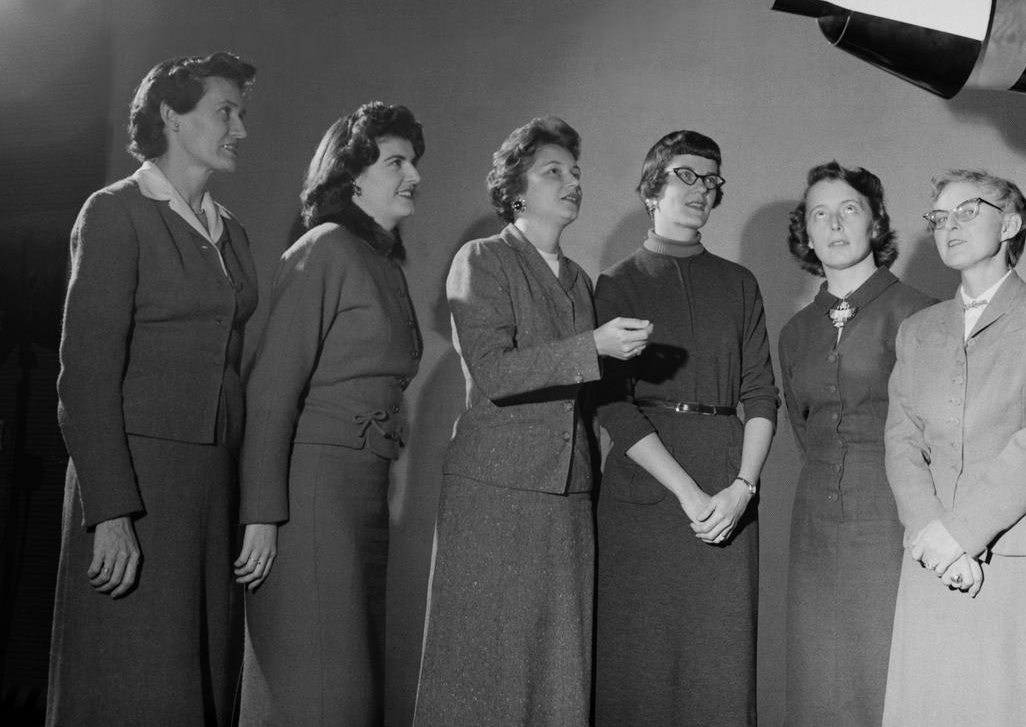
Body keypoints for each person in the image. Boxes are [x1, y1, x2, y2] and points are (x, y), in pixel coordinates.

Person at [413, 117, 651, 727]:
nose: (573, 182)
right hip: (495, 491)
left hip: (568, 492)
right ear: (516, 190)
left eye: (576, 172)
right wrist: (593, 345)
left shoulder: (577, 280)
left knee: (556, 669)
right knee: (479, 667)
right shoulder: (484, 259)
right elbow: (494, 371)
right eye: (554, 171)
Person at [46, 53, 259, 726]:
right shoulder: (116, 213)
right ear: (172, 116)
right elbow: (84, 379)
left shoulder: (232, 232)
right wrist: (110, 512)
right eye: (225, 112)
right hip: (137, 487)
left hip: (210, 489)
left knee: (198, 680)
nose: (240, 129)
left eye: (241, 114)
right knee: (134, 679)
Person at [882, 169, 1026, 726]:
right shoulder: (917, 330)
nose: (949, 226)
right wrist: (933, 536)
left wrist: (962, 533)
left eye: (967, 211)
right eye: (939, 217)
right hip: (936, 560)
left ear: (1009, 224)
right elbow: (901, 441)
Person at [237, 102, 424, 727]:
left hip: (362, 497)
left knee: (350, 694)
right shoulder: (324, 249)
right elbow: (271, 390)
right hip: (311, 499)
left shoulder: (382, 262)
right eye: (395, 162)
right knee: (318, 692)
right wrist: (261, 515)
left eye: (413, 162)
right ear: (352, 176)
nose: (414, 175)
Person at [593, 130, 779, 727]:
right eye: (687, 175)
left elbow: (760, 393)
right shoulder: (617, 283)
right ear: (652, 188)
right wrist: (688, 493)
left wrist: (742, 488)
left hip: (728, 493)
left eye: (712, 179)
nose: (702, 189)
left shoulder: (740, 284)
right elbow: (613, 404)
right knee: (639, 667)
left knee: (718, 667)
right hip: (645, 495)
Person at [778, 162, 933, 727]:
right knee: (819, 678)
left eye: (849, 209)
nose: (835, 224)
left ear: (876, 223)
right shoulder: (796, 332)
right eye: (819, 214)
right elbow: (803, 428)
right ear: (806, 232)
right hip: (816, 522)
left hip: (895, 518)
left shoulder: (919, 313)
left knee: (888, 669)